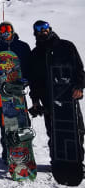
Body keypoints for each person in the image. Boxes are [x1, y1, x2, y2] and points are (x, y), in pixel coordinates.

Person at [28, 20, 85, 166]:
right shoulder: (35, 54)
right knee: (53, 131)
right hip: (47, 99)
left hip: (67, 97)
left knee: (74, 129)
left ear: (50, 28)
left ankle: (76, 161)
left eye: (45, 27)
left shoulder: (66, 46)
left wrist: (79, 86)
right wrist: (35, 100)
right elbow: (34, 80)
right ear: (35, 32)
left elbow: (78, 68)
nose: (43, 31)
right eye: (39, 29)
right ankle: (57, 160)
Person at [0, 21, 31, 163]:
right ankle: (8, 152)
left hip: (17, 90)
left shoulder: (23, 47)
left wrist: (26, 80)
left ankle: (24, 150)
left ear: (13, 31)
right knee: (4, 122)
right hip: (0, 90)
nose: (5, 33)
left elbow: (31, 67)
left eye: (8, 30)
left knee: (21, 120)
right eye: (2, 31)